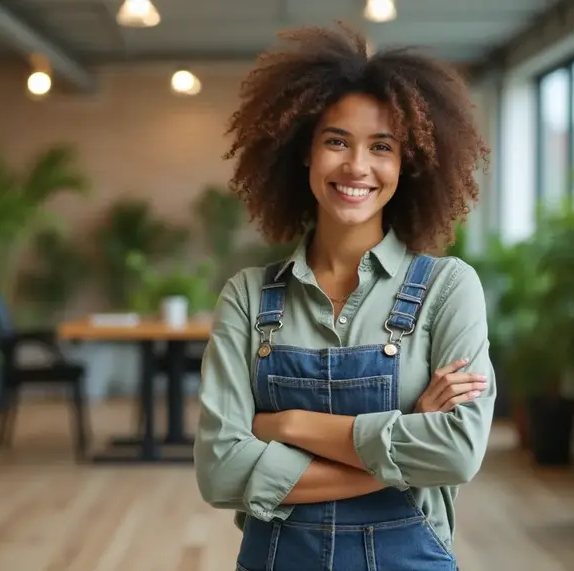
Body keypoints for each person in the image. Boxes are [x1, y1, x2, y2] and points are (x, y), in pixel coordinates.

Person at [193, 21, 495, 571]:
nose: (357, 166)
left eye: (382, 146)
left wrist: (286, 426)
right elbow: (219, 472)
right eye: (337, 141)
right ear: (303, 151)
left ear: (408, 163)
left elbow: (456, 453)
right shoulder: (247, 296)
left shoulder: (448, 289)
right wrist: (405, 439)